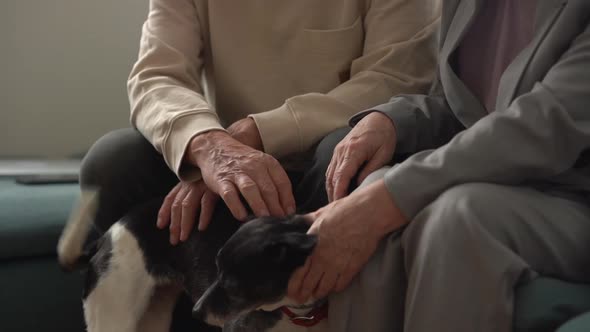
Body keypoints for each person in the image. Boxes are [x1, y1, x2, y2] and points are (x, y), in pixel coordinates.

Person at [79, 0, 440, 330]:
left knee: (345, 156)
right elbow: (156, 76)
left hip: (325, 155)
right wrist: (205, 143)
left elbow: (395, 79)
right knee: (113, 162)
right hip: (228, 168)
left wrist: (259, 133)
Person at [287, 1, 590, 331]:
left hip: (572, 197)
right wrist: (390, 121)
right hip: (493, 181)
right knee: (375, 184)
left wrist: (383, 202)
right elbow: (461, 106)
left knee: (458, 217)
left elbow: (543, 128)